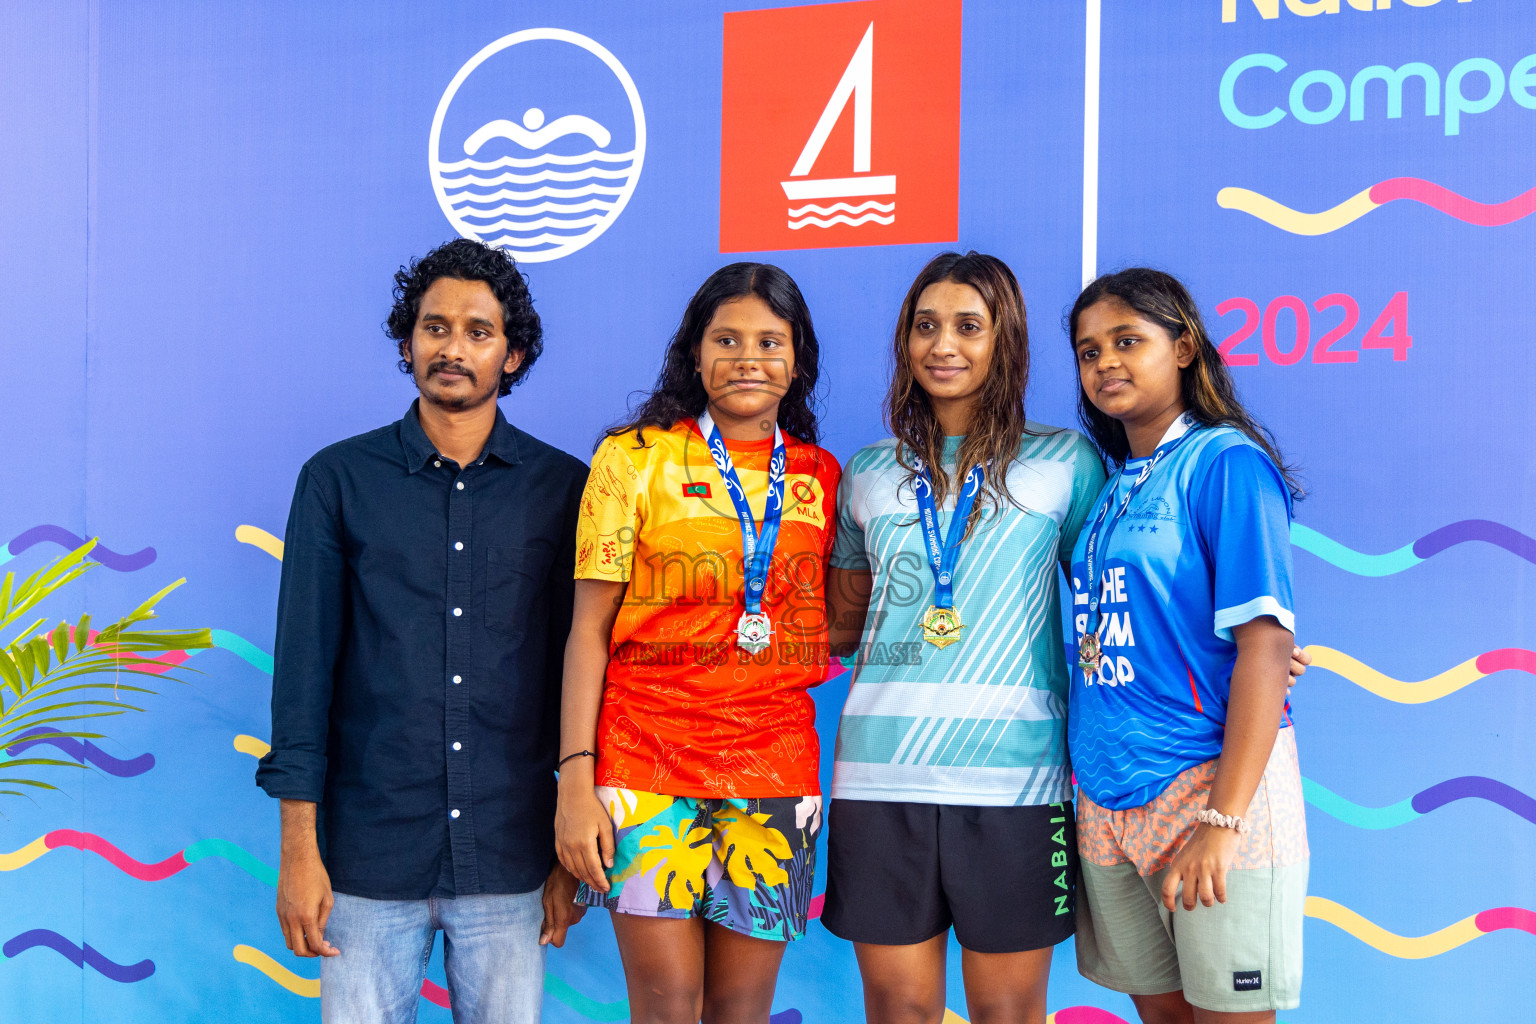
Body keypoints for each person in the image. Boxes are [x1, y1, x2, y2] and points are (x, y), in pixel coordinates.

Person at [256, 238, 587, 1024]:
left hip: (511, 854)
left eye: (479, 331)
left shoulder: (566, 488)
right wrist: (300, 852)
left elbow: (583, 675)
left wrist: (570, 858)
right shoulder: (337, 481)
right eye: (435, 327)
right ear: (408, 343)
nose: (453, 347)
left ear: (514, 354)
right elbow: (303, 678)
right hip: (368, 857)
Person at [822, 251, 1107, 1024]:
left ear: (1003, 340)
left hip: (1016, 785)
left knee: (1007, 1016)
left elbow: (1117, 600)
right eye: (926, 326)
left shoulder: (1067, 462)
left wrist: (1239, 656)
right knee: (899, 1012)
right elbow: (841, 631)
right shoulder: (869, 472)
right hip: (880, 781)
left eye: (968, 326)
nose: (943, 344)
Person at [554, 263, 840, 1024]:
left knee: (741, 1009)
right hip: (644, 766)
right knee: (665, 1005)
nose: (748, 358)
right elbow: (588, 632)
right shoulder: (632, 459)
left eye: (770, 341)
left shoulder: (821, 477)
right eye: (727, 339)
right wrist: (575, 782)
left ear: (798, 360)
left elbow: (834, 619)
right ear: (694, 353)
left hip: (773, 770)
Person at [1066, 268, 1308, 1024]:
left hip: (1207, 794)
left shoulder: (1226, 464)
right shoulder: (1113, 484)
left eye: (1127, 341)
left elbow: (1266, 648)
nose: (1105, 361)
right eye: (1088, 350)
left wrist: (1223, 822)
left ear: (1183, 347)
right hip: (1109, 800)